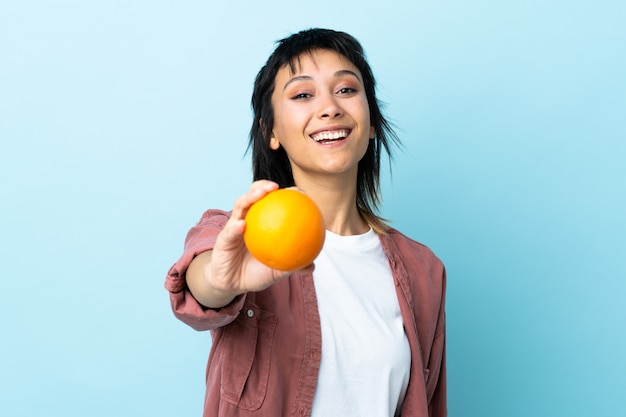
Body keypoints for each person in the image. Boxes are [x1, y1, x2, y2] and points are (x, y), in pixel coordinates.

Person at [165, 28, 447, 417]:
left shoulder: (424, 271)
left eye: (347, 90)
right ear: (272, 132)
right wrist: (220, 280)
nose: (330, 107)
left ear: (372, 121)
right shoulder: (236, 234)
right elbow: (202, 286)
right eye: (302, 95)